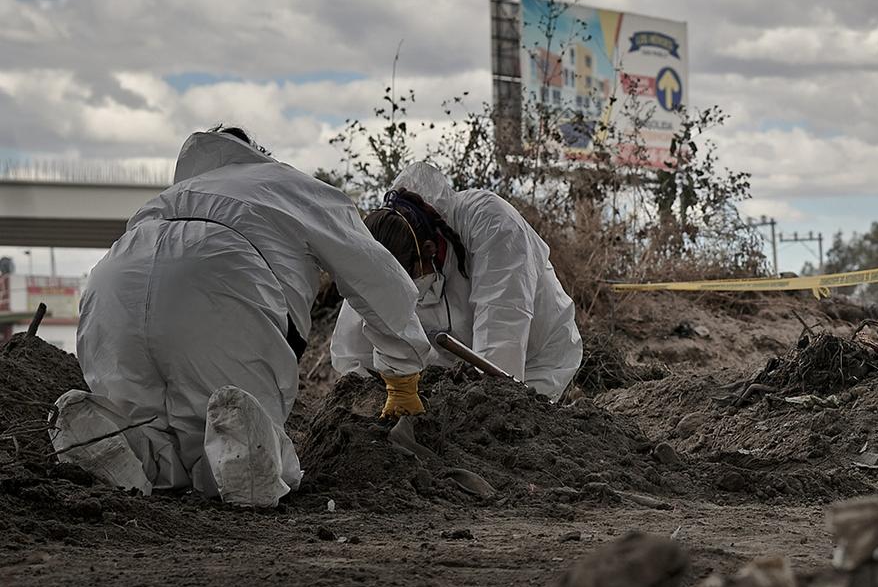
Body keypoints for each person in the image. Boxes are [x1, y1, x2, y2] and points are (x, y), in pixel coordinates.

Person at [50, 127, 431, 506]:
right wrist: (402, 372)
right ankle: (248, 457)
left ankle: (116, 442)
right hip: (221, 277)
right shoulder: (288, 184)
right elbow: (377, 275)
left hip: (113, 284)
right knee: (238, 415)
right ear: (257, 153)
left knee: (144, 422)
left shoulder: (171, 195)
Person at [330, 161, 582, 398]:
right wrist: (368, 396)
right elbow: (353, 349)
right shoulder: (383, 246)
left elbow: (503, 324)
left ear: (429, 249)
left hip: (534, 359)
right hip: (450, 369)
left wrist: (491, 404)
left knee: (508, 428)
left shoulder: (492, 223)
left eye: (409, 279)